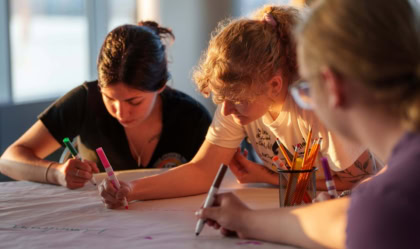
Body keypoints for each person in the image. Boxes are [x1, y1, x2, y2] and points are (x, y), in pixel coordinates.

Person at [98, 5, 378, 209]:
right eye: (221, 100)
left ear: (274, 85)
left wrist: (267, 177)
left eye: (236, 101)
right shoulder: (239, 96)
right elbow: (202, 170)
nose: (227, 112)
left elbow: (360, 180)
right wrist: (132, 189)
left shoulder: (316, 105)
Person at [196, 0, 420, 248]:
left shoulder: (387, 207)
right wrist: (245, 219)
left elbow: (357, 219)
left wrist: (247, 218)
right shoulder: (394, 181)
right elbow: (341, 219)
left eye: (305, 89)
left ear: (331, 86)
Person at [0, 21, 212, 189]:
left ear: (160, 86)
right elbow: (8, 160)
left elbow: (215, 177)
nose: (120, 112)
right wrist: (56, 172)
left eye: (133, 101)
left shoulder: (191, 118)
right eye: (109, 98)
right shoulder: (86, 100)